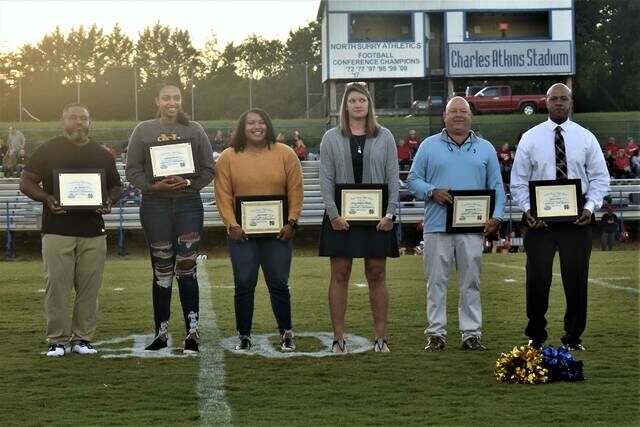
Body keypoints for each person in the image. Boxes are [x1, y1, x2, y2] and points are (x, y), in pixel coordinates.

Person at [510, 83, 610, 351]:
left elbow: (600, 178)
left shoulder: (586, 137)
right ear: (546, 102)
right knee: (537, 279)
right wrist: (528, 210)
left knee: (576, 280)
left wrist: (590, 207)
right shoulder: (530, 138)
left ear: (570, 102)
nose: (558, 103)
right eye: (553, 99)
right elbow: (518, 181)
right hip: (539, 221)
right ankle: (536, 335)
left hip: (577, 220)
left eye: (563, 99)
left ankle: (573, 337)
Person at [19, 103, 122, 357]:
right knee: (57, 287)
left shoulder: (101, 153)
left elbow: (116, 187)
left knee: (89, 288)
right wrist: (47, 198)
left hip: (93, 231)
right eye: (73, 118)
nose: (78, 123)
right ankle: (57, 341)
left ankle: (82, 339)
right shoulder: (48, 150)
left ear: (89, 123)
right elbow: (26, 182)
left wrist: (109, 201)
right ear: (62, 121)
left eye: (83, 118)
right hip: (57, 229)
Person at [408, 96, 505, 352]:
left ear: (471, 116)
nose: (459, 115)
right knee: (436, 282)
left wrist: (497, 215)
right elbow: (413, 181)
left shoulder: (485, 148)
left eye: (464, 111)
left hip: (472, 228)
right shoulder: (428, 146)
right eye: (454, 111)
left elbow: (496, 185)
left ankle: (471, 334)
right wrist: (432, 191)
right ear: (445, 116)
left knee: (471, 282)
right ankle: (436, 334)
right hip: (437, 226)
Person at [125, 83, 215, 354]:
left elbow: (209, 169)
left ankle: (192, 333)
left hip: (188, 204)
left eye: (176, 97)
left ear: (181, 100)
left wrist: (187, 181)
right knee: (162, 271)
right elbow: (132, 171)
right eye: (166, 98)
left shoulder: (195, 130)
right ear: (157, 100)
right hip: (155, 206)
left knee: (186, 267)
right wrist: (154, 187)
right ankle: (161, 333)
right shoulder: (143, 130)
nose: (171, 102)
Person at [319, 82, 399, 353]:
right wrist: (334, 215)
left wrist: (390, 214)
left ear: (369, 105)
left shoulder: (385, 136)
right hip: (340, 219)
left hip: (378, 220)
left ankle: (381, 338)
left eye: (361, 100)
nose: (357, 105)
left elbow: (393, 178)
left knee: (377, 273)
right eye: (352, 101)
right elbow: (325, 180)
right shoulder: (330, 137)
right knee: (340, 274)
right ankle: (338, 339)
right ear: (346, 105)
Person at [214, 108, 303, 352]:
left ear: (268, 126)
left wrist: (292, 221)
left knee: (278, 282)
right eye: (251, 123)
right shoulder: (228, 157)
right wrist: (231, 225)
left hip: (279, 233)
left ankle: (286, 333)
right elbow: (222, 194)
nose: (256, 127)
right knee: (244, 282)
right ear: (242, 128)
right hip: (242, 234)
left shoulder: (286, 154)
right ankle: (244, 335)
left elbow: (295, 190)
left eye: (261, 122)